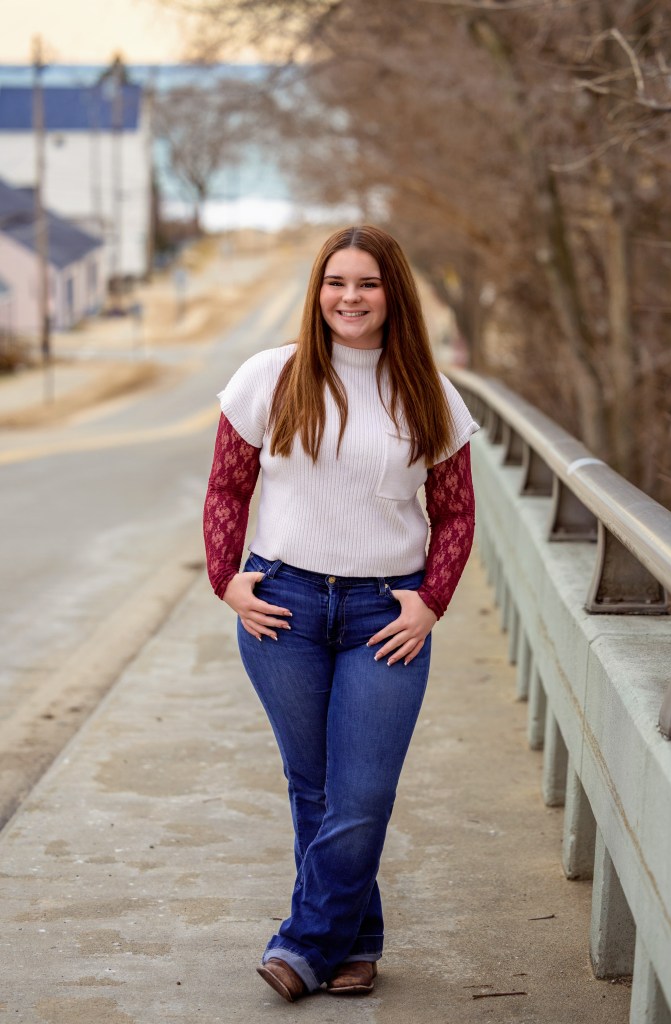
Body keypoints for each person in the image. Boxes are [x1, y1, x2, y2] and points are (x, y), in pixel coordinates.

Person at [203, 225, 478, 1001]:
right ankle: (353, 947)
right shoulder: (271, 375)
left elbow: (454, 513)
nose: (348, 298)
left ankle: (302, 946)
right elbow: (228, 486)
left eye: (366, 283)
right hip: (282, 605)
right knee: (314, 786)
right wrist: (227, 579)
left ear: (393, 294)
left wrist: (431, 602)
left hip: (382, 616)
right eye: (335, 282)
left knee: (361, 794)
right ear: (317, 291)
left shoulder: (427, 390)